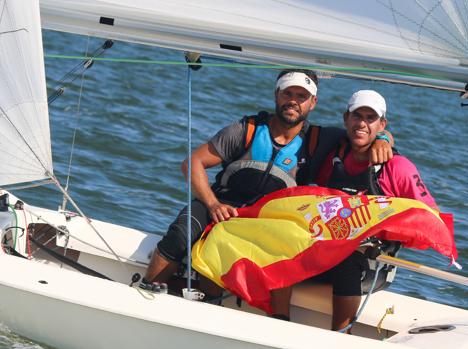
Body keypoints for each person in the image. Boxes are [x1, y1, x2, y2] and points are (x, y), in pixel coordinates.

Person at [141, 70, 394, 320]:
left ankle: (276, 321)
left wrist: (383, 138)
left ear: (313, 103)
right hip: (221, 206)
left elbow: (361, 133)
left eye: (301, 96)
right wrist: (213, 203)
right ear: (277, 95)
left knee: (283, 249)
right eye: (288, 93)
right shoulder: (246, 129)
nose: (293, 100)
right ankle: (144, 296)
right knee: (181, 233)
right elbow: (192, 163)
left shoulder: (320, 139)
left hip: (269, 220)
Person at [313, 90, 439, 332]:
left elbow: (431, 217)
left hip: (372, 262)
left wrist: (384, 227)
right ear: (345, 119)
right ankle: (276, 322)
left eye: (370, 118)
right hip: (326, 248)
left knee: (347, 260)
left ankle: (340, 337)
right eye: (357, 116)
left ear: (382, 124)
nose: (361, 123)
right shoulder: (332, 157)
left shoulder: (399, 167)